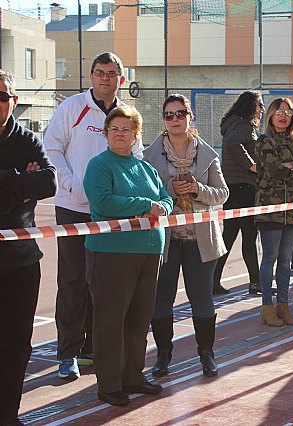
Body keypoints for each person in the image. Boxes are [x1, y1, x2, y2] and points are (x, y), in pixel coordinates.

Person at [44, 52, 142, 379]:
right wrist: (72, 186)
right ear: (91, 76)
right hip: (73, 208)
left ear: (121, 79)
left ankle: (96, 350)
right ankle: (68, 354)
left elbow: (136, 159)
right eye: (100, 72)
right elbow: (51, 149)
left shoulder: (127, 115)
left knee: (104, 282)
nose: (105, 78)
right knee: (73, 281)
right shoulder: (71, 108)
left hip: (110, 214)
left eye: (112, 73)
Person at [83, 106, 173, 406]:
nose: (120, 134)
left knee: (138, 319)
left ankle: (133, 375)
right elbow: (104, 202)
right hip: (112, 253)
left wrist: (163, 207)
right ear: (106, 133)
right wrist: (146, 204)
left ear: (136, 135)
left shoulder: (145, 167)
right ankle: (109, 384)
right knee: (110, 320)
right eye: (115, 129)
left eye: (127, 129)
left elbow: (166, 199)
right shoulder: (99, 165)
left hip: (148, 252)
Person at [144, 94, 228, 378]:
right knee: (161, 299)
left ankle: (207, 353)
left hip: (201, 239)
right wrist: (170, 189)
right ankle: (163, 355)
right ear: (163, 121)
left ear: (191, 118)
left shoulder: (207, 154)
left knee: (202, 298)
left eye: (180, 114)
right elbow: (147, 196)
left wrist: (197, 190)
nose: (175, 119)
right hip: (165, 240)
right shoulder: (150, 156)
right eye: (169, 115)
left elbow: (223, 194)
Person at [0, 70, 57, 426]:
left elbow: (48, 181)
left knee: (17, 343)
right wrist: (21, 181)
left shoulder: (27, 139)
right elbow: (33, 183)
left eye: (3, 96)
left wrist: (9, 182)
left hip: (20, 261)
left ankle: (8, 413)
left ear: (14, 101)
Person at [255, 98, 293, 326]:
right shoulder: (263, 142)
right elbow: (274, 170)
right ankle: (267, 306)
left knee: (285, 260)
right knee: (270, 258)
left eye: (288, 113)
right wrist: (291, 167)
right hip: (270, 210)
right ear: (270, 115)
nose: (283, 116)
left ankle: (283, 305)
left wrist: (291, 165)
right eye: (279, 112)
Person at [213, 91, 264, 295]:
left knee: (231, 236)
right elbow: (234, 144)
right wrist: (252, 166)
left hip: (235, 186)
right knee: (247, 236)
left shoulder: (233, 123)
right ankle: (255, 282)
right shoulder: (242, 125)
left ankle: (214, 280)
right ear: (250, 106)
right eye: (259, 105)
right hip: (243, 186)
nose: (261, 109)